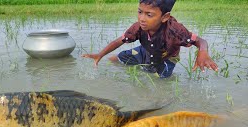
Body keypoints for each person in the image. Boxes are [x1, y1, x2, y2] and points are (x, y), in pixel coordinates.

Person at [82, 0, 218, 78]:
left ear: (164, 17)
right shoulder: (138, 27)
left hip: (166, 58)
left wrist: (203, 52)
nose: (142, 18)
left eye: (149, 14)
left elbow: (201, 41)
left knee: (158, 80)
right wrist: (100, 55)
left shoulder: (175, 30)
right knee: (116, 59)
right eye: (140, 12)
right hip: (145, 51)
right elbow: (120, 40)